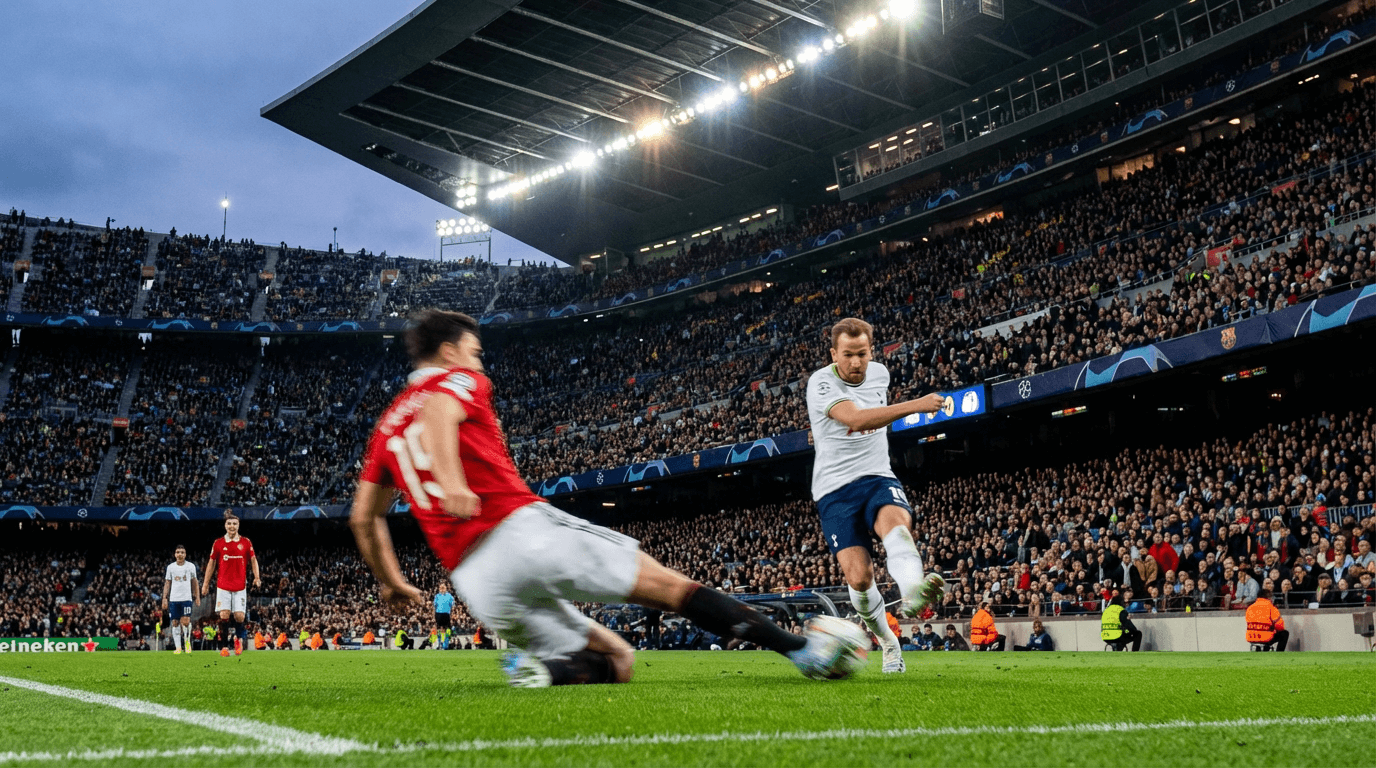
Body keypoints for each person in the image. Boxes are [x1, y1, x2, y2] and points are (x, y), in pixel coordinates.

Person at [350, 310, 859, 688]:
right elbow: (440, 410)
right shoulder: (456, 379)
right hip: (519, 533)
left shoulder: (387, 427)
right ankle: (804, 651)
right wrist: (452, 481)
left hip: (477, 584)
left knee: (618, 661)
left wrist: (391, 582)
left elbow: (363, 518)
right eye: (474, 350)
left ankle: (547, 670)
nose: (477, 360)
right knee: (672, 588)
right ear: (449, 351)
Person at [805, 317, 947, 674]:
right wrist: (915, 404)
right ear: (833, 354)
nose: (856, 362)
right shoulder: (820, 382)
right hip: (834, 490)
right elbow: (856, 419)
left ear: (872, 351)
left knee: (897, 528)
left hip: (877, 476)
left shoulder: (880, 374)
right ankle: (888, 642)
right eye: (848, 355)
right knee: (860, 579)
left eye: (862, 354)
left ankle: (913, 590)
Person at [201, 510, 261, 656]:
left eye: (234, 523)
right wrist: (205, 584)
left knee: (239, 616)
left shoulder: (246, 542)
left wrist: (257, 577)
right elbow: (211, 563)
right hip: (223, 585)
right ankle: (224, 647)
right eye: (229, 524)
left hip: (240, 585)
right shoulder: (218, 543)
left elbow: (253, 560)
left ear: (238, 525)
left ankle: (238, 640)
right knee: (224, 614)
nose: (232, 526)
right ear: (225, 525)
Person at [161, 545, 199, 655]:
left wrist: (197, 596)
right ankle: (178, 647)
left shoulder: (191, 566)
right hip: (174, 599)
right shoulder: (171, 567)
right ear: (175, 554)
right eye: (178, 552)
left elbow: (194, 581)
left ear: (185, 554)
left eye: (182, 552)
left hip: (186, 598)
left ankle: (187, 643)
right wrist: (164, 598)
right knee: (175, 622)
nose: (180, 554)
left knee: (185, 621)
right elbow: (167, 583)